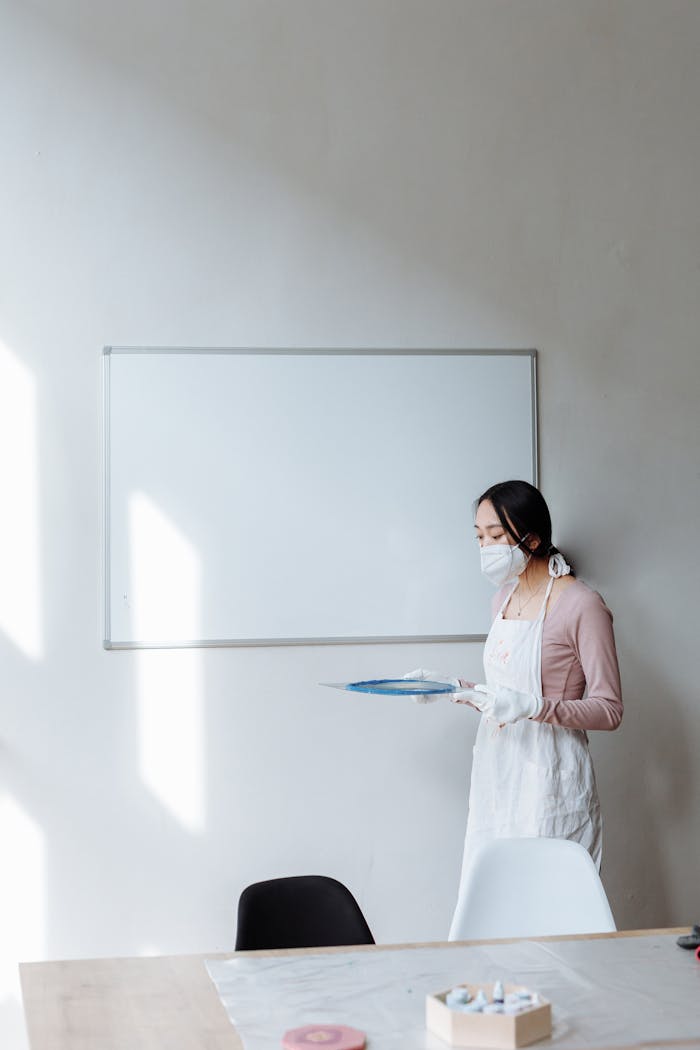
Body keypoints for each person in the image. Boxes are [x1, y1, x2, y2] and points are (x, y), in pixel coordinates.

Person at [407, 479, 622, 937]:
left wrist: (536, 706)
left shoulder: (581, 604)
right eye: (479, 536)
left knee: (548, 920)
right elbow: (502, 697)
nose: (486, 547)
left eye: (497, 536)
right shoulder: (501, 600)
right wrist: (452, 688)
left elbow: (609, 709)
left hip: (551, 780)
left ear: (533, 538)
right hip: (497, 774)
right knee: (489, 909)